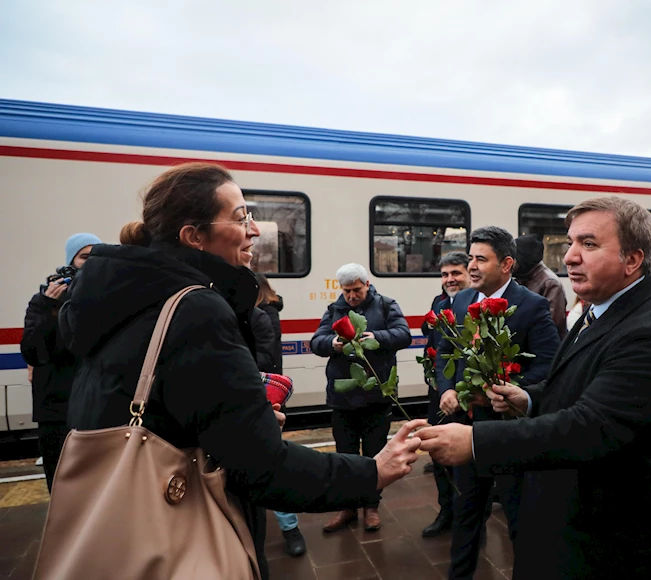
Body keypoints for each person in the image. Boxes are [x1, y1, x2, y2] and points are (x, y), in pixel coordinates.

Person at [61, 163, 424, 580]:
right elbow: (261, 467)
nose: (255, 230)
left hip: (120, 528)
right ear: (194, 237)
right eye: (241, 218)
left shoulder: (116, 297)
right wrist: (373, 472)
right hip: (181, 542)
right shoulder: (196, 310)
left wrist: (239, 418)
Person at [418, 196, 651, 579]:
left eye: (588, 244)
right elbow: (572, 382)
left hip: (617, 547)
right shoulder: (603, 310)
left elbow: (590, 427)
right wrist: (530, 398)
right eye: (570, 243)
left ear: (632, 260)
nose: (568, 258)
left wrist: (473, 442)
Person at [436, 226, 560, 580]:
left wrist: (506, 390)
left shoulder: (532, 306)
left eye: (480, 259)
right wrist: (446, 387)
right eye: (470, 257)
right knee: (466, 511)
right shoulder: (460, 301)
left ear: (506, 264)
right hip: (467, 429)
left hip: (509, 432)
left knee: (519, 515)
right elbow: (445, 351)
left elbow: (547, 367)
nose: (471, 266)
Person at [310, 263, 412, 533]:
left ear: (367, 284)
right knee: (345, 455)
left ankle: (371, 507)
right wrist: (332, 344)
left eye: (357, 289)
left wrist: (375, 337)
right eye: (347, 291)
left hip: (376, 395)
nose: (352, 296)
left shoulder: (387, 305)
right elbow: (316, 341)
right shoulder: (334, 310)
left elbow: (404, 335)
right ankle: (347, 508)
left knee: (374, 456)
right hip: (343, 399)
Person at [21, 232, 101, 492]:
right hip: (57, 410)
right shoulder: (44, 301)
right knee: (61, 487)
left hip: (96, 405)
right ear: (69, 263)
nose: (90, 263)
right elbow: (33, 351)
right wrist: (48, 306)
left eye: (96, 257)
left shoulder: (104, 297)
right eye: (84, 257)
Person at [251, 275, 306, 558]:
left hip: (260, 395)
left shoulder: (262, 315)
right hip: (241, 395)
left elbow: (267, 357)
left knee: (272, 460)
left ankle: (290, 528)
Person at [420, 251, 470, 539]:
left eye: (456, 273)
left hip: (468, 394)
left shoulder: (478, 304)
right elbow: (434, 344)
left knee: (466, 460)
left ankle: (468, 514)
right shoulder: (439, 303)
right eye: (445, 274)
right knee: (437, 451)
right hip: (439, 392)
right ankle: (445, 511)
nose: (450, 279)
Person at [514, 234, 568, 339]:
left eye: (514, 259)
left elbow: (551, 324)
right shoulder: (522, 277)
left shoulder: (550, 283)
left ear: (524, 259)